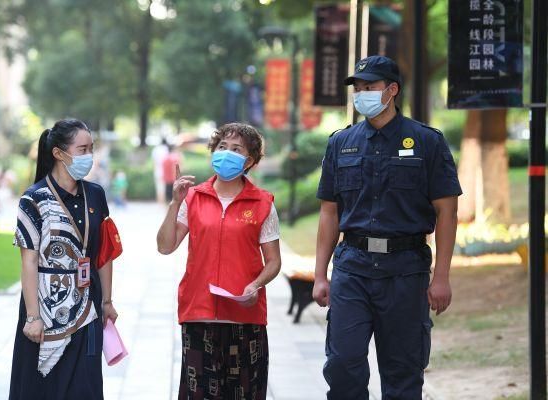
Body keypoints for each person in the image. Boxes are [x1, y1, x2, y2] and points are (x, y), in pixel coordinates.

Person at [313, 55, 462, 399]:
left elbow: (447, 212)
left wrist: (441, 276)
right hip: (352, 267)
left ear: (392, 90)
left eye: (371, 86)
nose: (362, 93)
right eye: (359, 88)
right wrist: (320, 274)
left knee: (403, 371)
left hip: (406, 271)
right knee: (342, 363)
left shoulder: (427, 141)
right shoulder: (341, 142)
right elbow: (329, 213)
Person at [157, 122, 282, 399]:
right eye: (222, 147)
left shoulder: (262, 203)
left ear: (249, 160)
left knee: (245, 393)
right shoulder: (194, 197)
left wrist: (256, 285)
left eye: (236, 149)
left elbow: (273, 261)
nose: (226, 153)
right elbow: (165, 246)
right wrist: (175, 203)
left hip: (245, 317)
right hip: (198, 313)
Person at [10, 119, 118, 399]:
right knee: (44, 389)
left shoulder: (95, 194)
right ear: (59, 153)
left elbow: (104, 253)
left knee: (87, 387)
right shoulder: (33, 200)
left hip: (88, 306)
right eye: (82, 149)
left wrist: (107, 301)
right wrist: (32, 317)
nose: (89, 156)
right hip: (45, 309)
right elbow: (29, 262)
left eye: (91, 149)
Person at [151, 137, 169, 203]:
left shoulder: (155, 149)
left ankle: (159, 201)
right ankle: (163, 201)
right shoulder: (166, 149)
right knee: (164, 187)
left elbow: (154, 162)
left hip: (157, 170)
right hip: (165, 170)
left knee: (159, 187)